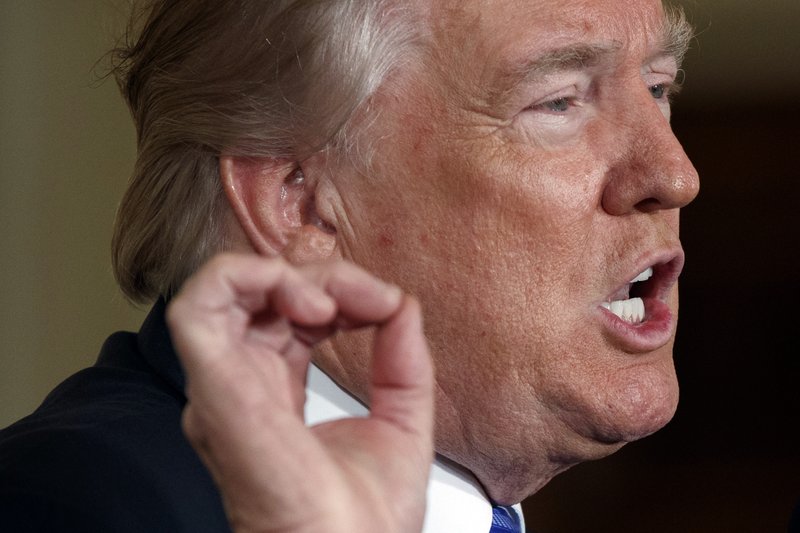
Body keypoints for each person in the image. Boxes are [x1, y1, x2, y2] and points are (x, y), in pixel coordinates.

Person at [0, 0, 699, 532]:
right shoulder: (88, 502)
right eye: (560, 101)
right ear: (301, 206)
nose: (675, 174)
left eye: (658, 86)